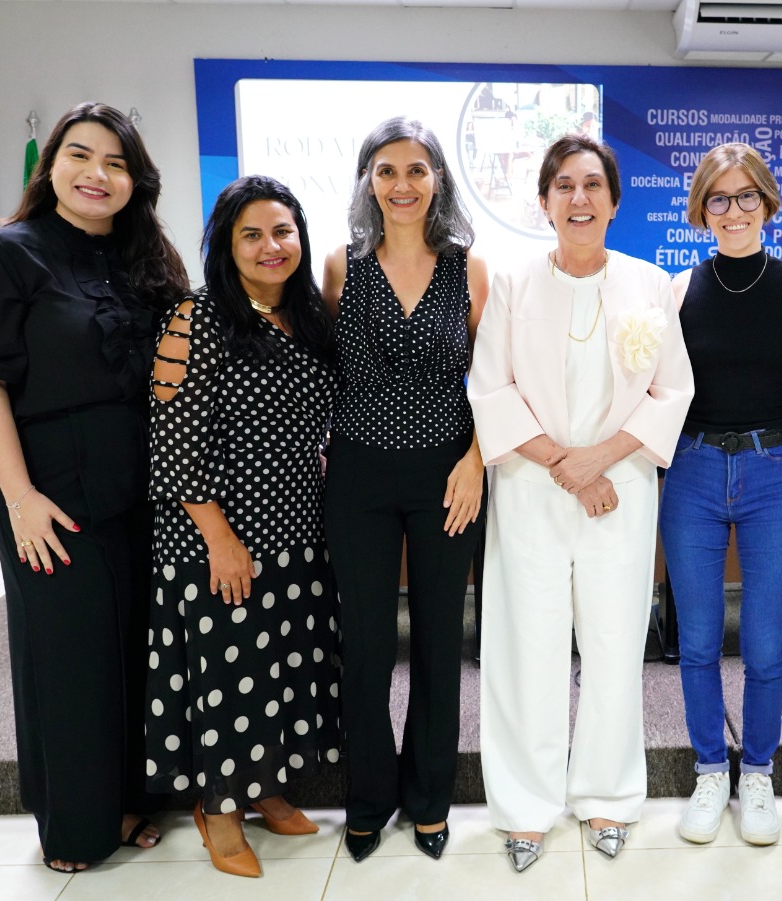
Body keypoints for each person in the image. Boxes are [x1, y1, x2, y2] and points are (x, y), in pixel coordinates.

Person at [0, 101, 188, 873]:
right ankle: (75, 825)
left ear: (136, 180)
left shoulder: (144, 259)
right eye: (81, 155)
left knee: (137, 648)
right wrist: (17, 495)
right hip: (47, 488)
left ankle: (131, 798)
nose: (97, 174)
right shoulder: (6, 252)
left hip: (140, 486)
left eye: (116, 162)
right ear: (51, 165)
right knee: (70, 656)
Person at [469, 133, 694, 873]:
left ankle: (607, 795)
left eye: (593, 184)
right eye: (564, 185)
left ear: (615, 202)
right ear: (544, 201)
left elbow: (673, 390)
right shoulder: (513, 285)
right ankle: (525, 807)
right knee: (524, 647)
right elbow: (490, 389)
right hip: (530, 489)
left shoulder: (649, 285)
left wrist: (599, 460)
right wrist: (567, 465)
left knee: (613, 643)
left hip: (618, 491)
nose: (579, 197)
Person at [142, 175, 340, 878]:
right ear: (226, 246)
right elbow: (174, 442)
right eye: (251, 234)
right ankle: (219, 811)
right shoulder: (195, 318)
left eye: (282, 231)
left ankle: (264, 788)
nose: (270, 246)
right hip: (220, 536)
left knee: (279, 670)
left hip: (295, 528)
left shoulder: (306, 316)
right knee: (231, 675)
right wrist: (219, 540)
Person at [321, 116, 488, 863]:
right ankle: (368, 798)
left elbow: (493, 379)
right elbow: (322, 372)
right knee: (364, 645)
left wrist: (476, 458)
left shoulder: (469, 270)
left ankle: (429, 799)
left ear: (438, 179)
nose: (401, 184)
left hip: (447, 474)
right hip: (358, 473)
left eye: (416, 169)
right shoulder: (340, 267)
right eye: (386, 170)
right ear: (368, 181)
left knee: (438, 641)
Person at [660, 143, 782, 846]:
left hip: (770, 469)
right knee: (697, 640)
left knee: (762, 643)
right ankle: (708, 770)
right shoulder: (677, 289)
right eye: (718, 198)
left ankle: (757, 772)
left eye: (746, 195)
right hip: (692, 469)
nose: (733, 210)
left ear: (767, 202)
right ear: (702, 209)